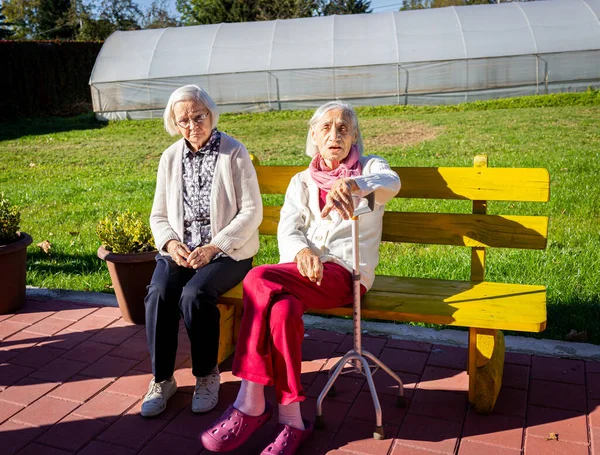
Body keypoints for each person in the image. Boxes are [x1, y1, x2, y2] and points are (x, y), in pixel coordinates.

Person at [200, 101, 400, 454]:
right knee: (281, 312)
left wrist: (354, 185)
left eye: (343, 128)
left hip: (346, 275)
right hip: (300, 273)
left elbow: (391, 183)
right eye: (326, 128)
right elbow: (289, 230)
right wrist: (302, 254)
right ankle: (292, 421)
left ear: (355, 135)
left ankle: (251, 401)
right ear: (313, 135)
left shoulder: (371, 168)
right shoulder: (301, 181)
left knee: (256, 279)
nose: (334, 135)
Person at [141, 85, 262, 418]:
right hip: (182, 251)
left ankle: (206, 374)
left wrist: (214, 247)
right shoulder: (169, 158)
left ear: (211, 114)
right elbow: (158, 215)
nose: (193, 125)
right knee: (159, 292)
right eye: (184, 120)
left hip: (228, 252)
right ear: (174, 124)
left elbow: (252, 212)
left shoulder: (234, 153)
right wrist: (170, 244)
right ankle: (162, 379)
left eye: (199, 116)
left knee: (194, 295)